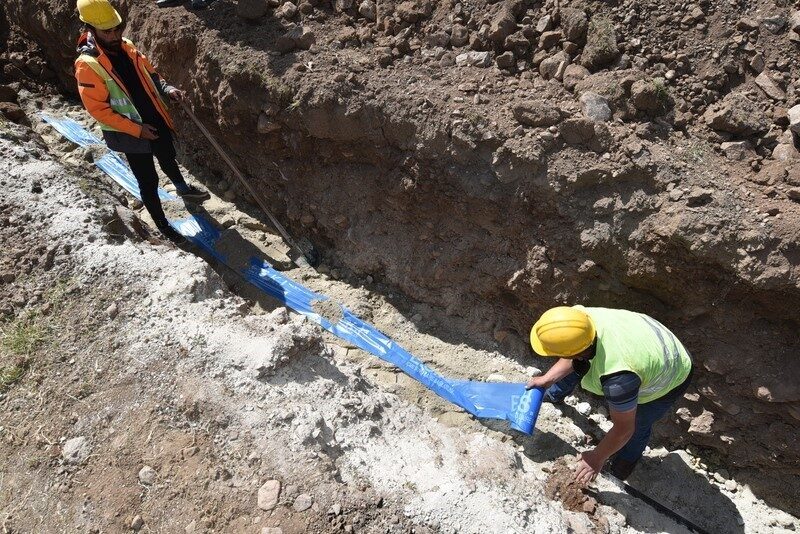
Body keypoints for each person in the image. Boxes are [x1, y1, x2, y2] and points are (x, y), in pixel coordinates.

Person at [74, 0, 210, 243]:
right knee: (148, 180)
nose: (115, 35)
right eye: (108, 31)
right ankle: (164, 226)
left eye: (118, 28)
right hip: (128, 132)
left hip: (154, 116)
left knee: (168, 155)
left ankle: (183, 190)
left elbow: (151, 74)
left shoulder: (127, 46)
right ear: (90, 29)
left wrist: (167, 89)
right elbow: (98, 110)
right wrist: (137, 129)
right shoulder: (87, 65)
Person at [525, 305, 693, 484]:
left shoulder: (618, 379)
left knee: (638, 423)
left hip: (672, 370)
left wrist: (596, 457)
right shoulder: (576, 321)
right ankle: (554, 394)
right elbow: (572, 353)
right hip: (646, 340)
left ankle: (622, 466)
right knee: (579, 363)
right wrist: (547, 378)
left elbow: (624, 428)